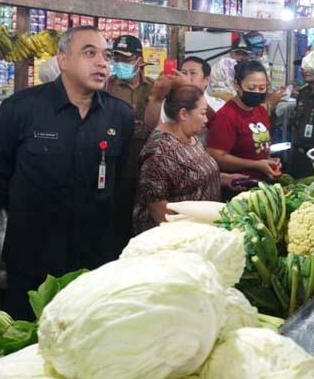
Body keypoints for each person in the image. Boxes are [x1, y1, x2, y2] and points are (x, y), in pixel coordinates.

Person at [0, 27, 134, 320]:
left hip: (94, 260)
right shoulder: (21, 109)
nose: (102, 62)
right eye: (89, 53)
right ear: (63, 60)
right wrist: (31, 209)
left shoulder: (120, 115)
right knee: (26, 344)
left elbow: (123, 182)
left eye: (106, 54)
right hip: (34, 257)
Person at [134, 81, 225, 233]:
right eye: (202, 113)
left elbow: (195, 176)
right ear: (183, 114)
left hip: (202, 231)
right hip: (177, 239)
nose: (206, 120)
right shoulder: (160, 151)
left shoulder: (191, 138)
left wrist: (227, 179)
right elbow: (159, 210)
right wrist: (190, 238)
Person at [106, 35, 154, 238]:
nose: (120, 64)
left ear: (140, 61)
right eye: (116, 59)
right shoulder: (106, 86)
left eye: (126, 59)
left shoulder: (154, 88)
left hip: (147, 165)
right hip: (116, 164)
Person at [207, 60, 281, 183]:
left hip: (262, 181)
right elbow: (216, 156)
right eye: (252, 87)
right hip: (239, 185)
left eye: (262, 88)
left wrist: (268, 161)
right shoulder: (227, 116)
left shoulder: (260, 110)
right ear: (237, 85)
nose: (257, 92)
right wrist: (255, 164)